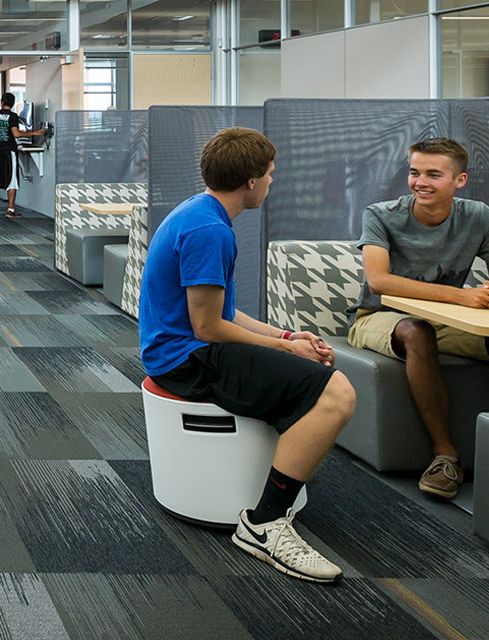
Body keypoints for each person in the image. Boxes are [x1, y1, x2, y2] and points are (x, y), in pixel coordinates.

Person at [139, 126, 354, 583]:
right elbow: (209, 327)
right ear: (252, 182)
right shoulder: (209, 231)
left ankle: (280, 475)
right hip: (185, 359)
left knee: (309, 376)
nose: (273, 183)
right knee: (336, 394)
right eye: (271, 175)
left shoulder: (202, 213)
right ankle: (264, 525)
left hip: (191, 347)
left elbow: (226, 313)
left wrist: (288, 335)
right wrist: (283, 348)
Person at [350, 137, 489, 500]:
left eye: (433, 174)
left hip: (447, 320)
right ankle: (446, 456)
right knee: (417, 331)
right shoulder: (380, 214)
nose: (420, 182)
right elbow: (379, 281)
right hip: (380, 317)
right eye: (414, 172)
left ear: (460, 180)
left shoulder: (478, 215)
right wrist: (463, 296)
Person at [0, 92, 44, 218]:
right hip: (9, 151)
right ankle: (10, 210)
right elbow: (16, 134)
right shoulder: (12, 116)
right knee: (12, 180)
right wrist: (36, 133)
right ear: (12, 104)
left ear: (2, 102)